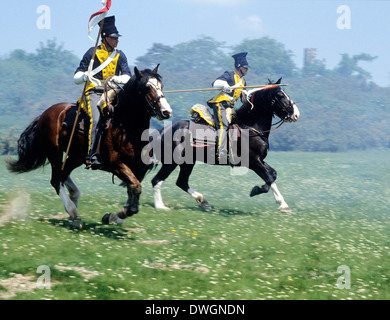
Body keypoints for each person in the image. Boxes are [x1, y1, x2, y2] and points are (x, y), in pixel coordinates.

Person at [74, 15, 131, 169]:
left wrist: (118, 79)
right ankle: (92, 155)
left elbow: (128, 76)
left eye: (117, 37)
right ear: (105, 38)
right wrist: (85, 75)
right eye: (114, 38)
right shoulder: (92, 53)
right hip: (93, 92)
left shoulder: (120, 55)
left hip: (112, 93)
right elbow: (76, 77)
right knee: (97, 118)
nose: (117, 40)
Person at [207, 52, 249, 162]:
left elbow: (243, 99)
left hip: (230, 107)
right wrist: (225, 86)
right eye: (245, 68)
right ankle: (219, 152)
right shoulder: (229, 75)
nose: (247, 70)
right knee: (223, 125)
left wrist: (246, 96)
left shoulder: (243, 82)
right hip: (220, 104)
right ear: (239, 67)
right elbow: (215, 83)